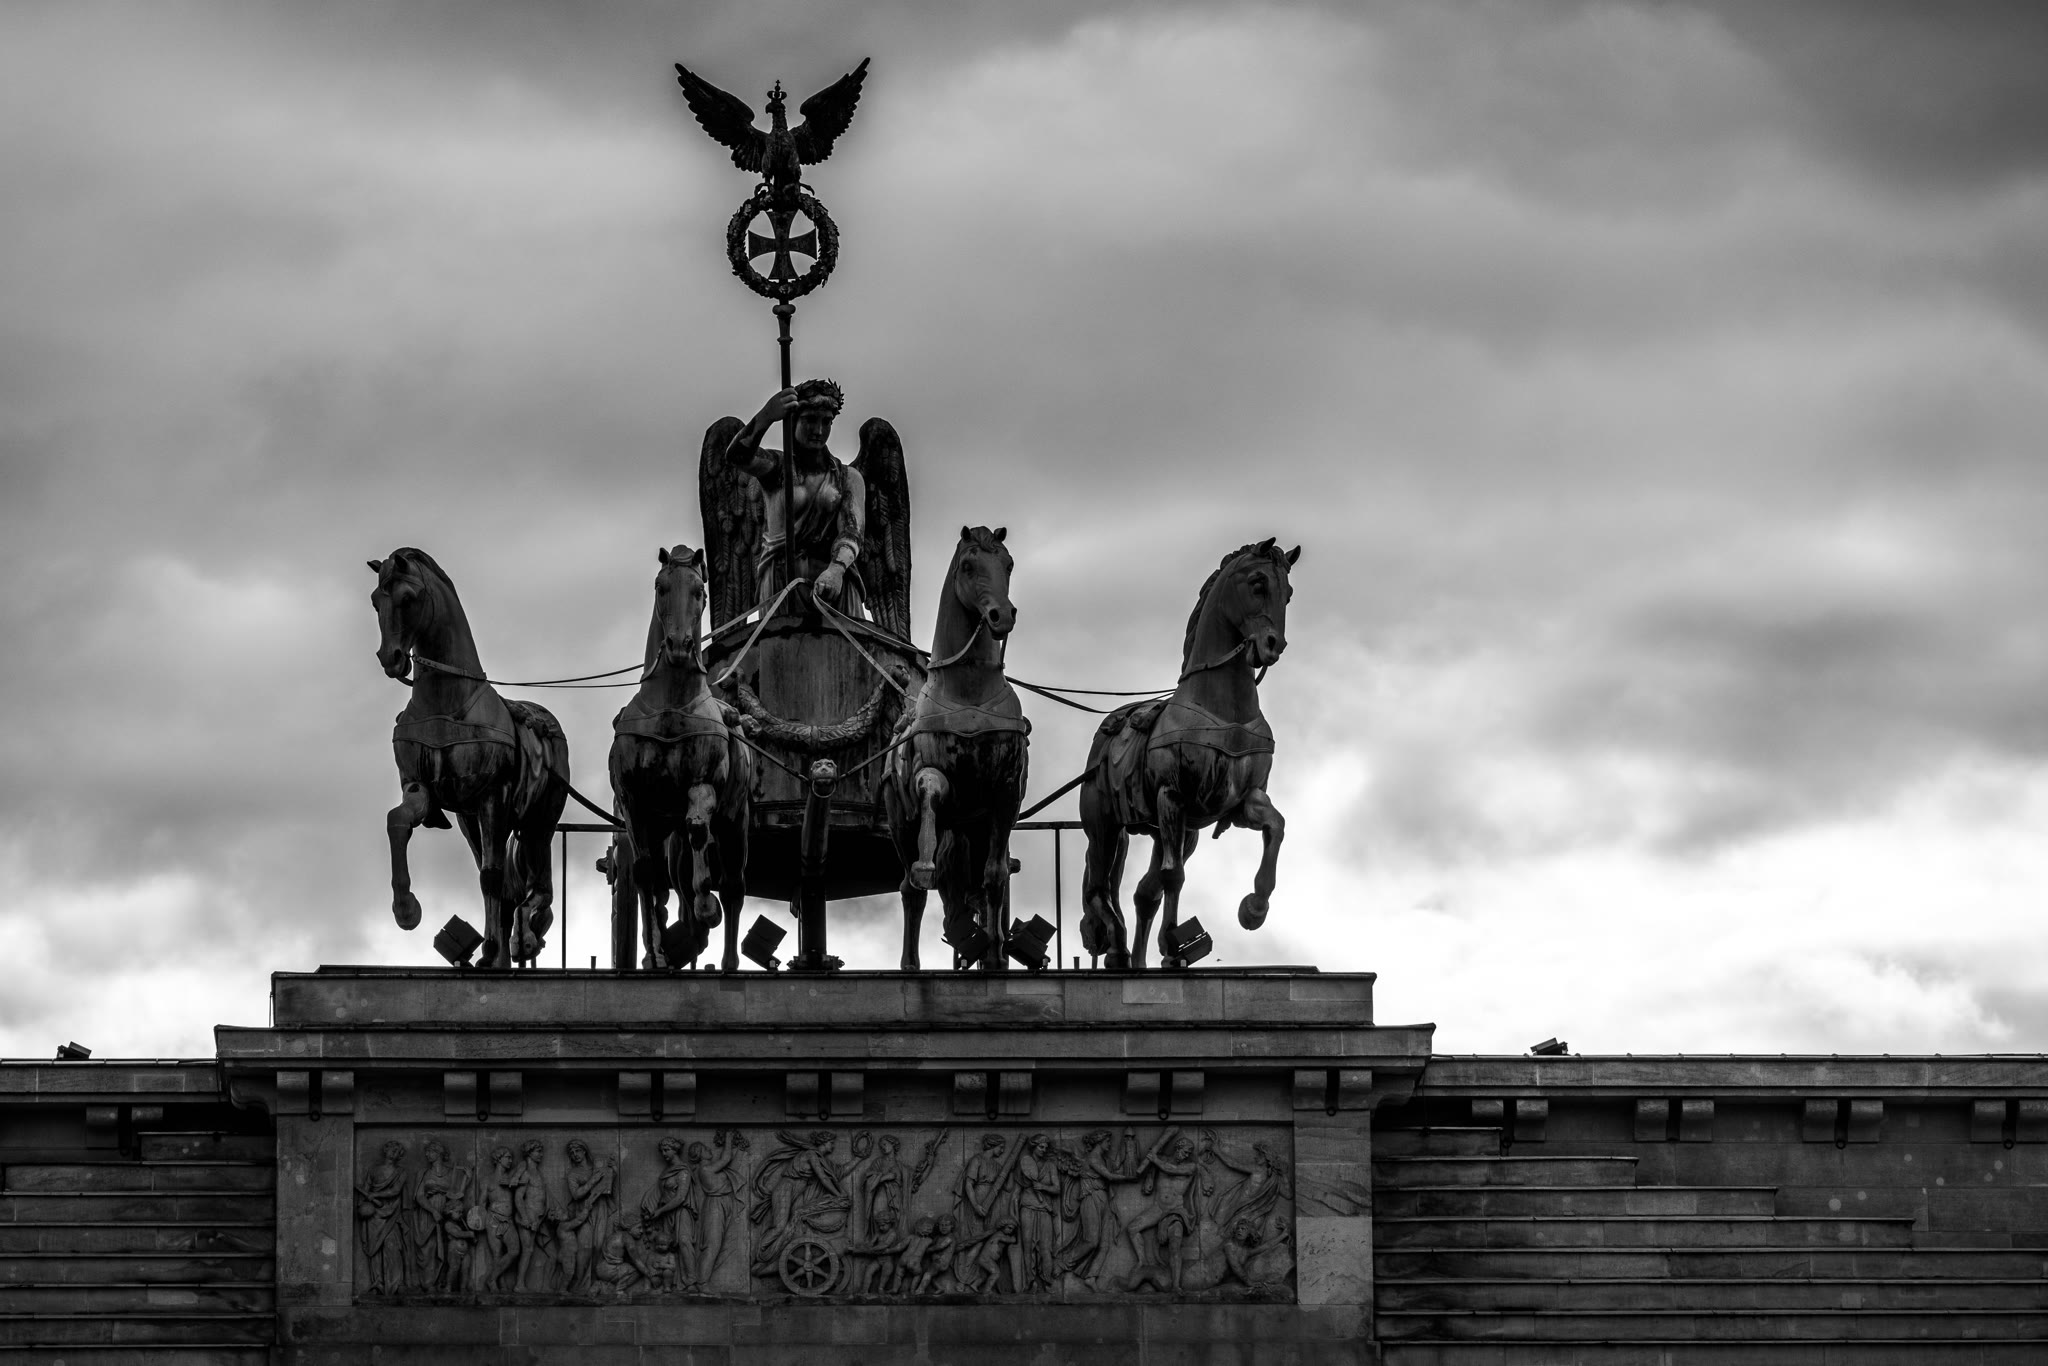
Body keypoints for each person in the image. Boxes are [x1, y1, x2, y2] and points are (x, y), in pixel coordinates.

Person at [727, 379, 868, 614]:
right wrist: (767, 415)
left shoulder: (848, 478)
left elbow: (852, 532)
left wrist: (836, 569)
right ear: (793, 420)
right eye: (810, 420)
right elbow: (736, 456)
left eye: (826, 421)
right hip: (782, 584)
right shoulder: (775, 468)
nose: (819, 430)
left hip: (835, 586)